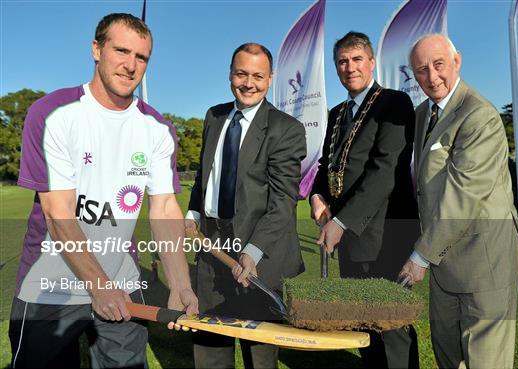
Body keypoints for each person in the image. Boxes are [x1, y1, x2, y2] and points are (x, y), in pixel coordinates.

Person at [9, 13, 198, 368]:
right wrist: (99, 284)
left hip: (123, 283)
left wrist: (179, 284)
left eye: (141, 57)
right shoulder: (52, 114)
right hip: (49, 286)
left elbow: (164, 209)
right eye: (121, 51)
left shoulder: (158, 128)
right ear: (97, 49)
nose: (130, 65)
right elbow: (58, 212)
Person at [399, 33, 518, 369]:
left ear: (457, 61)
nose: (432, 77)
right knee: (448, 357)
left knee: (485, 362)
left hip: (485, 265)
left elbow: (463, 195)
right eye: (421, 71)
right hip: (444, 266)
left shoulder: (480, 116)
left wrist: (419, 256)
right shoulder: (420, 114)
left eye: (438, 65)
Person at [184, 42, 306, 369]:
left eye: (258, 76)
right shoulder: (214, 116)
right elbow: (203, 176)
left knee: (260, 355)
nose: (248, 83)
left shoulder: (286, 129)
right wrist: (192, 214)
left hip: (259, 255)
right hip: (211, 249)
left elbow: (282, 202)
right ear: (230, 75)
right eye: (241, 73)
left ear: (270, 79)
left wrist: (252, 252)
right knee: (210, 346)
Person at [310, 31, 419, 368]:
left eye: (357, 59)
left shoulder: (394, 102)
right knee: (361, 326)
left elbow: (384, 169)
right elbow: (326, 165)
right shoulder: (337, 112)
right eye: (342, 61)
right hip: (350, 239)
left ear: (371, 62)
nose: (350, 67)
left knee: (391, 325)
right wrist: (317, 194)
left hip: (386, 236)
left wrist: (341, 222)